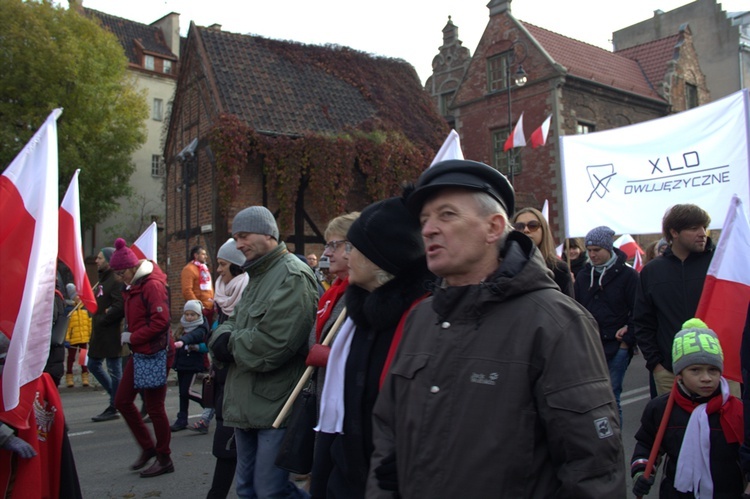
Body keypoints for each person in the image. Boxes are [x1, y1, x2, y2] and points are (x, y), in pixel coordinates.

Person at [369, 159, 625, 498]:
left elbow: (593, 469)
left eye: (447, 215)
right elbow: (387, 431)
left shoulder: (556, 322)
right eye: (424, 219)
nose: (429, 229)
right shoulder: (421, 317)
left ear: (494, 227)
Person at [313, 199, 430, 499]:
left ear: (381, 259)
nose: (345, 257)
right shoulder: (361, 316)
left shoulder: (423, 319)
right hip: (348, 474)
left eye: (355, 249)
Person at [208, 206, 317, 498]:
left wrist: (227, 344)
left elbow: (275, 344)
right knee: (246, 490)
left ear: (268, 233)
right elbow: (230, 323)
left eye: (244, 236)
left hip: (275, 407)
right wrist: (222, 338)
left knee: (271, 491)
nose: (238, 244)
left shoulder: (292, 276)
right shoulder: (257, 275)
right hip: (246, 404)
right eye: (235, 237)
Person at [630, 319, 743, 498]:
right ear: (680, 374)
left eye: (712, 370)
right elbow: (647, 444)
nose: (706, 378)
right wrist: (641, 470)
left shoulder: (736, 410)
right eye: (695, 370)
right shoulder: (661, 409)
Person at [109, 238, 176, 478]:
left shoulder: (151, 285)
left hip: (157, 351)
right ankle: (149, 448)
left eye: (121, 272)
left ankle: (164, 457)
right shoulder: (132, 286)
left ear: (132, 268)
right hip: (141, 351)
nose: (119, 277)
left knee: (155, 407)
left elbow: (161, 321)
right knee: (122, 401)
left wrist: (132, 337)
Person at [634, 204, 716, 396]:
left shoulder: (718, 265)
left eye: (704, 227)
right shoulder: (652, 271)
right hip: (670, 373)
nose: (703, 233)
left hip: (716, 372)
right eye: (694, 228)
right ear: (674, 232)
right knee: (673, 426)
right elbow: (643, 322)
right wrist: (656, 365)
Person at [305, 211, 359, 498]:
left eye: (333, 245)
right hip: (323, 399)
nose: (326, 253)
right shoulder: (331, 293)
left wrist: (329, 356)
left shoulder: (362, 295)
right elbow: (313, 338)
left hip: (345, 411)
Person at [574, 226, 638, 424]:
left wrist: (628, 337)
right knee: (592, 397)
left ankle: (615, 442)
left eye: (597, 250)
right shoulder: (583, 277)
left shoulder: (628, 276)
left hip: (617, 346)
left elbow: (639, 310)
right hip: (590, 345)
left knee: (612, 395)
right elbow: (576, 307)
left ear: (608, 249)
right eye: (589, 250)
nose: (592, 255)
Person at [205, 238, 248, 499]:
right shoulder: (223, 294)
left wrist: (223, 345)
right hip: (222, 380)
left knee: (230, 449)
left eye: (222, 264)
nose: (218, 270)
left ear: (237, 266)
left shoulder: (248, 293)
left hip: (242, 384)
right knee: (227, 448)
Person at [89, 246, 125, 422]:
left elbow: (119, 306)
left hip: (111, 333)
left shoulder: (116, 281)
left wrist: (103, 318)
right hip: (99, 333)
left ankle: (114, 405)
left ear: (110, 261)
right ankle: (117, 397)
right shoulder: (102, 280)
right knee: (93, 364)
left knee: (114, 369)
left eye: (100, 258)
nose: (97, 261)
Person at [511, 207, 575, 297]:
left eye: (533, 225)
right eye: (519, 226)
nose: (526, 230)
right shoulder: (506, 267)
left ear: (543, 230)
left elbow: (567, 308)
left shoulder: (559, 269)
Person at [170, 300, 211, 432]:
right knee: (182, 394)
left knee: (186, 391)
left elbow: (195, 338)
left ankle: (209, 404)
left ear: (198, 315)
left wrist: (186, 343)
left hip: (193, 364)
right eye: (187, 314)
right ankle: (182, 419)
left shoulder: (201, 329)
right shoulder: (182, 327)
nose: (189, 317)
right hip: (182, 363)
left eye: (192, 315)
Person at [64, 291, 92, 388]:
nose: (78, 298)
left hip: (83, 338)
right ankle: (69, 377)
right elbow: (66, 326)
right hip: (73, 339)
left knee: (83, 358)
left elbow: (89, 324)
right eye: (76, 296)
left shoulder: (86, 309)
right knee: (71, 358)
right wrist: (66, 338)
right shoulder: (70, 310)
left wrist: (90, 336)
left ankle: (85, 377)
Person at [182, 245, 214, 322]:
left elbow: (210, 288)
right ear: (196, 255)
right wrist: (198, 307)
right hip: (199, 310)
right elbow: (187, 290)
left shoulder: (204, 269)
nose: (206, 256)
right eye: (203, 254)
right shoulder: (189, 269)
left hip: (210, 308)